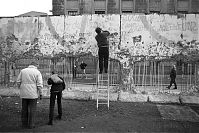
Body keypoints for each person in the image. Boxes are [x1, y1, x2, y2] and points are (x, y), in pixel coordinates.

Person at [16, 61, 43, 129]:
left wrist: (21, 88)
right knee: (32, 109)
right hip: (33, 94)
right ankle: (31, 125)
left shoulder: (23, 71)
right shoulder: (37, 72)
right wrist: (41, 93)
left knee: (24, 109)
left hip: (24, 93)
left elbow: (18, 81)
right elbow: (39, 84)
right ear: (35, 65)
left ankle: (24, 124)